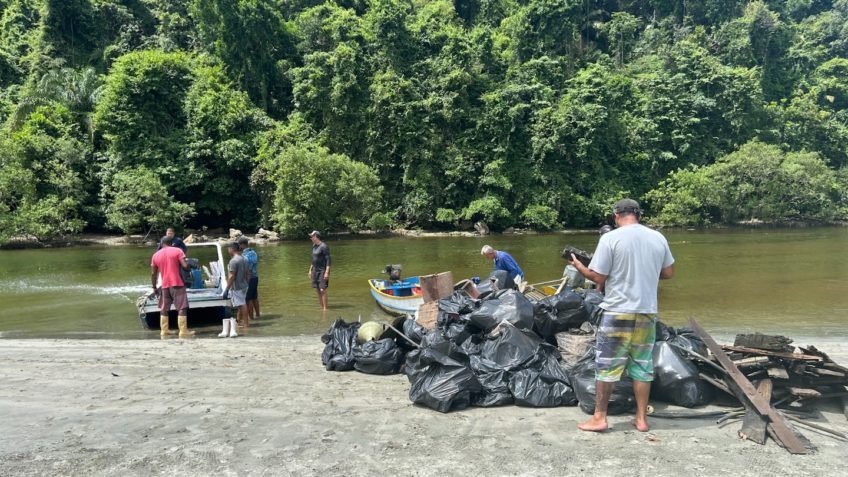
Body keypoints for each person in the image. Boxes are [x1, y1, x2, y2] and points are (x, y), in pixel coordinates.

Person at [569, 199, 674, 433]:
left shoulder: (610, 238)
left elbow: (598, 277)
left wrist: (579, 266)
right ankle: (641, 419)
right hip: (647, 312)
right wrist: (645, 272)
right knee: (642, 366)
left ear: (616, 215)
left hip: (618, 311)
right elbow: (668, 273)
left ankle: (599, 418)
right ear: (639, 215)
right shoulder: (658, 237)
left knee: (607, 366)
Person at [151, 235, 193, 338]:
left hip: (164, 285)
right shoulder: (178, 251)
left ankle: (164, 331)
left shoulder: (155, 255)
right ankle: (183, 331)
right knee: (182, 307)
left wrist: (154, 287)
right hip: (177, 283)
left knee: (164, 308)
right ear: (172, 243)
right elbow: (185, 266)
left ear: (161, 244)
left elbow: (153, 274)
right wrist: (189, 266)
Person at [224, 242, 250, 333]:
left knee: (242, 304)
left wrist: (227, 289)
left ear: (232, 249)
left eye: (228, 249)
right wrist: (247, 283)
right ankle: (239, 322)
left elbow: (232, 276)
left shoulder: (233, 261)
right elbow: (247, 273)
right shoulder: (244, 258)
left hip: (237, 287)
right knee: (240, 305)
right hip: (244, 285)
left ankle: (246, 324)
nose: (228, 251)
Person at [237, 236, 261, 321]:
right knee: (254, 297)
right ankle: (258, 315)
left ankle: (251, 318)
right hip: (255, 277)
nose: (238, 247)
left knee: (248, 299)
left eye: (239, 245)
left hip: (249, 278)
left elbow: (247, 269)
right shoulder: (253, 252)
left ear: (242, 245)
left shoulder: (245, 255)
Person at [308, 230, 331, 311]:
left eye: (312, 236)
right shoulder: (314, 246)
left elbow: (328, 260)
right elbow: (313, 259)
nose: (310, 238)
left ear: (316, 236)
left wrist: (327, 272)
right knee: (317, 289)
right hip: (315, 270)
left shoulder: (324, 246)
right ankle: (321, 307)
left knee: (322, 289)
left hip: (322, 270)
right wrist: (310, 270)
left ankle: (325, 309)